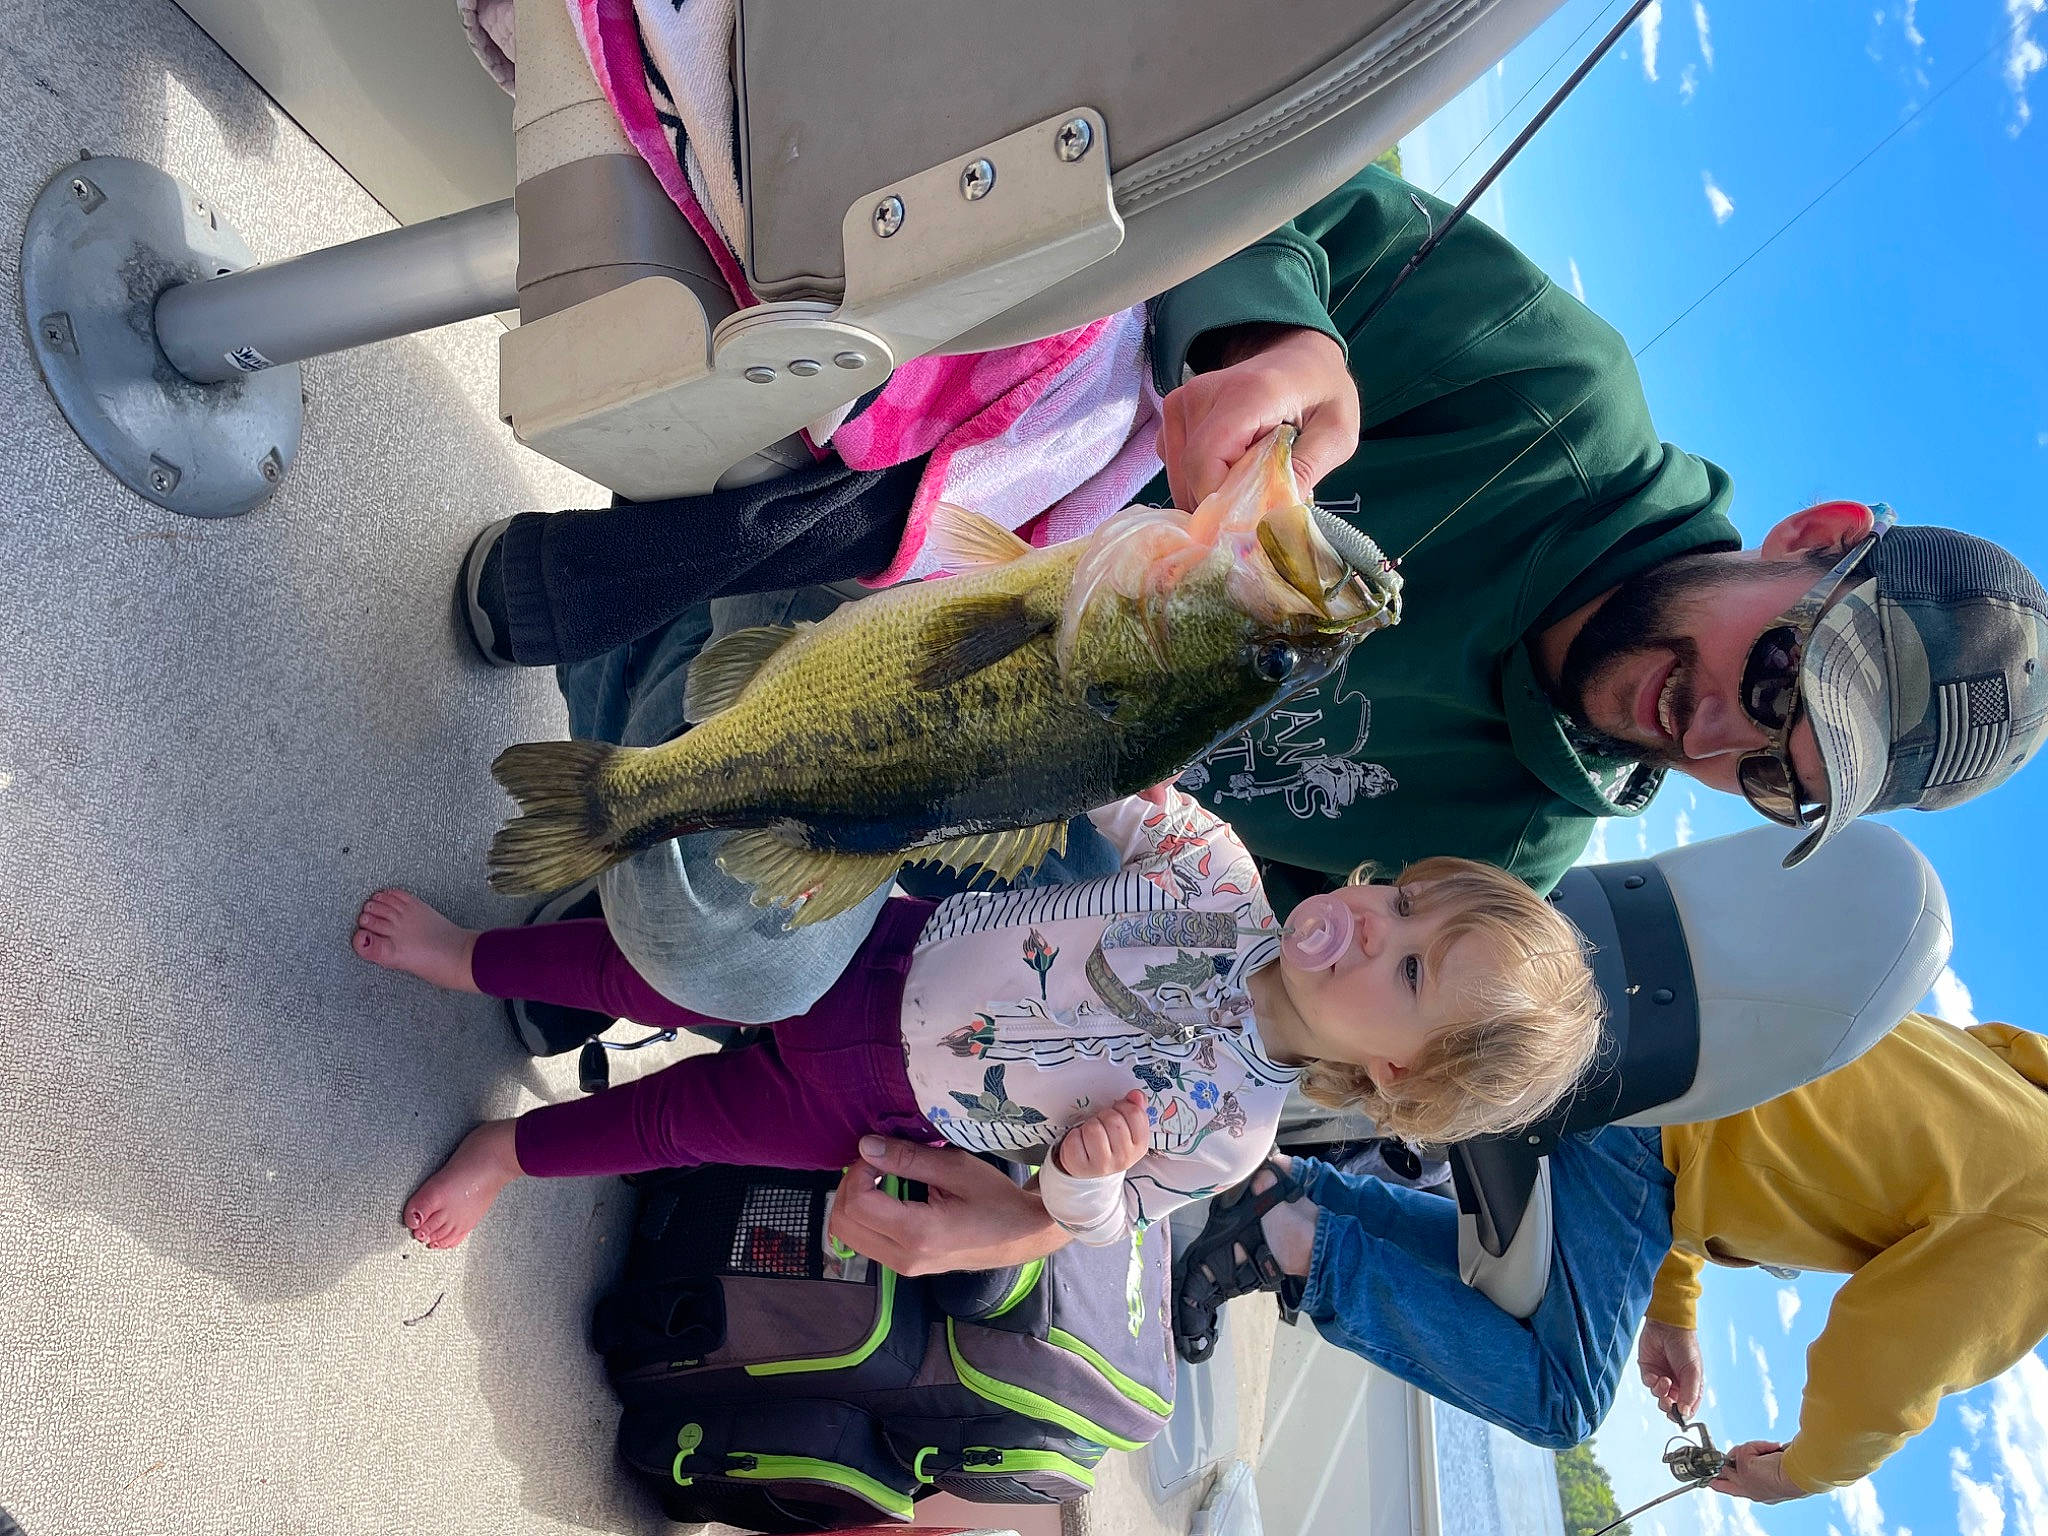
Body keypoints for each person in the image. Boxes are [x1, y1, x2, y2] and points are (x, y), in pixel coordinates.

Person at [822, 163, 2048, 1273]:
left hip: (885, 818)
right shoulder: (1549, 394)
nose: (1714, 733)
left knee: (702, 946)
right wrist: (1276, 337)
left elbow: (1268, 1028)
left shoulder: (1505, 863)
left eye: (1778, 776)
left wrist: (1041, 1215)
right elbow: (1264, 166)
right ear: (1813, 539)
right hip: (888, 479)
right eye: (1783, 677)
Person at [351, 787, 1600, 1250]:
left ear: (1394, 1075)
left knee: (683, 1125)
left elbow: (1104, 1224)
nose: (1374, 919)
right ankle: (472, 956)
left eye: (1414, 969)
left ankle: (512, 1152)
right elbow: (1122, 778)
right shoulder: (1217, 878)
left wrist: (1078, 1174)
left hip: (886, 1107)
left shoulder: (1231, 1138)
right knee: (655, 972)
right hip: (878, 951)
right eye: (1403, 894)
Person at [1160, 1012, 2048, 1505]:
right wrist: (1803, 1475)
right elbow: (1885, 1362)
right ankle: (1293, 1248)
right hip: (1655, 1141)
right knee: (1563, 1398)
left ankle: (1295, 1194)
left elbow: (1787, 1125)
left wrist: (1675, 1306)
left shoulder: (2020, 1095)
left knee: (1512, 1308)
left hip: (1663, 1044)